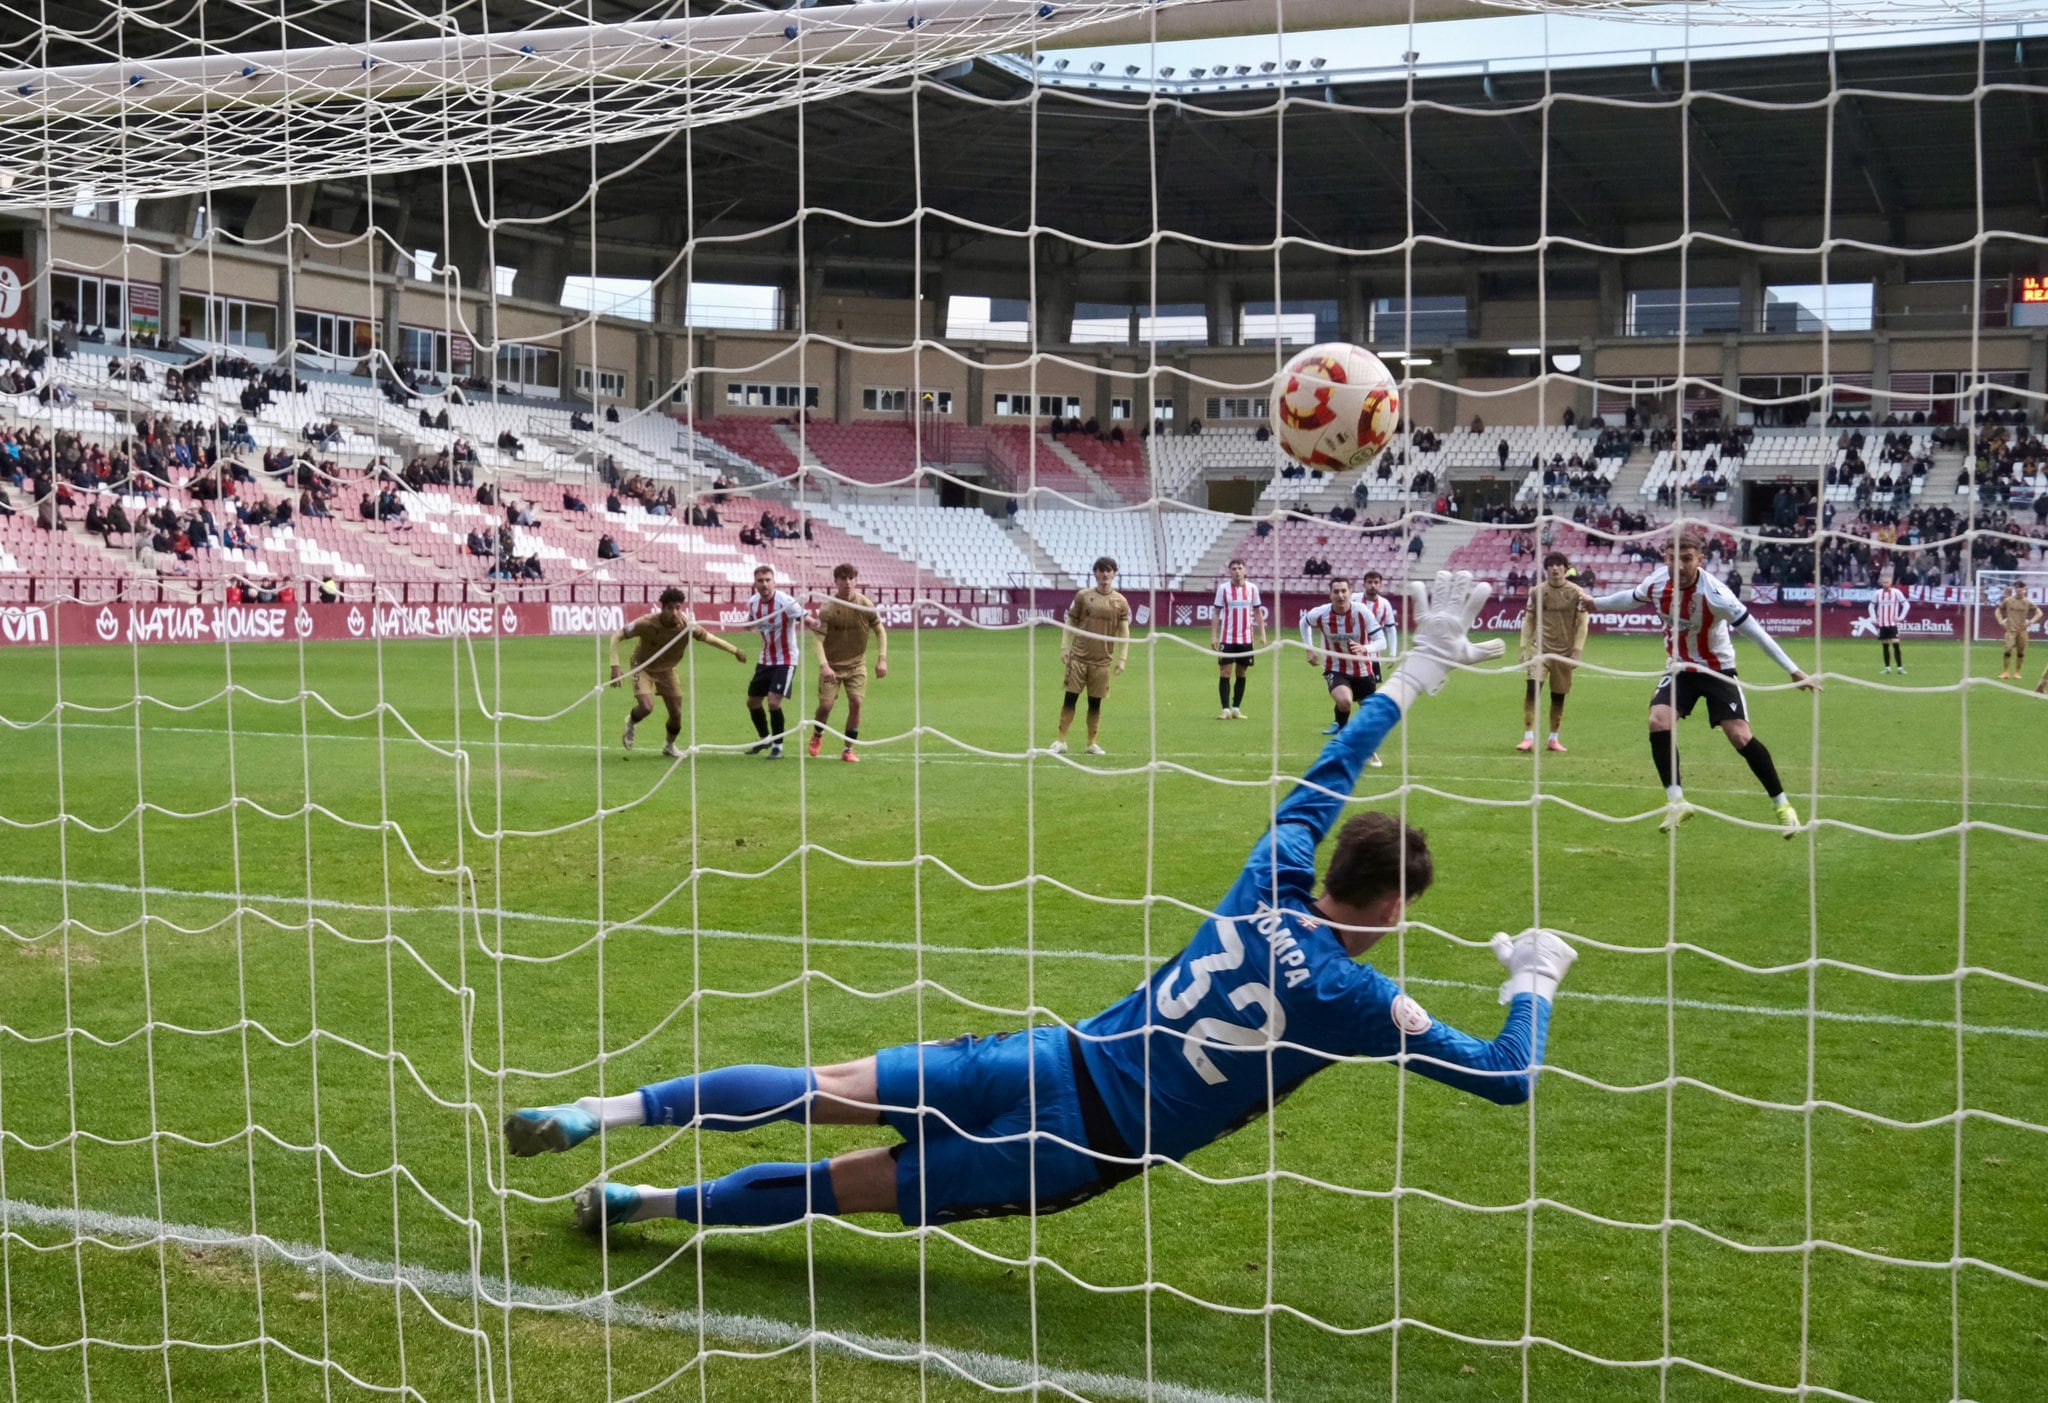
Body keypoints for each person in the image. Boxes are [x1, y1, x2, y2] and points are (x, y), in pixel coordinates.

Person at [502, 574, 1580, 1240]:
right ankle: (639, 1208)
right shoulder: (1355, 997)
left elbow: (1324, 771)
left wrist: (1409, 676)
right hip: (1080, 1143)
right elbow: (1505, 1075)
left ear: (1333, 865)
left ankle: (604, 1112)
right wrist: (1529, 975)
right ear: (1390, 909)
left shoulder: (1268, 877)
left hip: (1043, 1057)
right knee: (842, 1185)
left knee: (816, 1084)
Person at [1586, 532, 1820, 837]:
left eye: (1686, 558)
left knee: (1739, 735)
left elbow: (1755, 632)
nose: (1679, 565)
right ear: (1664, 557)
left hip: (1717, 669)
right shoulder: (1656, 583)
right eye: (1673, 558)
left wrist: (1793, 670)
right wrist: (1595, 604)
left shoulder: (1716, 594)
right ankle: (1677, 802)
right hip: (1680, 667)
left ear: (1700, 559)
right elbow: (1630, 598)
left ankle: (1782, 805)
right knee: (1658, 719)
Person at [609, 586, 746, 759]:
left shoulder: (687, 626)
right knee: (646, 707)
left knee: (676, 713)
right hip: (641, 666)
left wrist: (735, 650)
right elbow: (617, 635)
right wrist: (614, 665)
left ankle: (669, 746)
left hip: (667, 669)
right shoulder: (646, 622)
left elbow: (710, 638)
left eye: (678, 608)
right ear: (662, 608)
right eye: (670, 608)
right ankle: (631, 721)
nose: (675, 612)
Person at [1299, 577, 1387, 766]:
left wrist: (1365, 648)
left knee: (1369, 714)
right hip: (1335, 667)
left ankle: (1368, 749)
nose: (1340, 595)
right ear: (1330, 594)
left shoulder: (1362, 612)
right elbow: (1303, 622)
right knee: (1345, 701)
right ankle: (1343, 740)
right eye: (1336, 591)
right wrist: (1309, 649)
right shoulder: (1321, 613)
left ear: (1350, 592)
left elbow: (1382, 641)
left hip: (1363, 670)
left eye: (1343, 591)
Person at [808, 563, 889, 762]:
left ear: (856, 580)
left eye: (851, 578)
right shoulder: (827, 608)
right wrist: (824, 665)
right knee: (826, 706)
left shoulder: (865, 604)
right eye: (843, 578)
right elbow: (817, 639)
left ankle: (848, 749)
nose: (848, 582)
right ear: (835, 582)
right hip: (833, 666)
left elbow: (880, 631)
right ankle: (818, 734)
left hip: (856, 665)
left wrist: (882, 659)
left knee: (856, 703)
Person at [1051, 557, 1131, 757]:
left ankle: (1091, 743)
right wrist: (1064, 647)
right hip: (1078, 657)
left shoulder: (1121, 602)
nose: (1105, 574)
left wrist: (1122, 659)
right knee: (1070, 699)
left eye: (1109, 570)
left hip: (1102, 661)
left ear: (1114, 574)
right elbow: (1070, 621)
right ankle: (1061, 741)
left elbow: (1124, 632)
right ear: (1095, 573)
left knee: (1095, 704)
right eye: (1101, 570)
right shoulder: (1083, 596)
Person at [1517, 552, 1591, 753]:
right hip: (1539, 650)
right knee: (1532, 690)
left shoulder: (1577, 593)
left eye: (1559, 564)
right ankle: (1528, 737)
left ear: (1566, 568)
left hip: (1564, 653)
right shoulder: (1537, 592)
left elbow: (1583, 623)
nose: (1554, 568)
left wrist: (1577, 650)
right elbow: (1529, 620)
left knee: (1558, 696)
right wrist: (1524, 647)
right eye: (1550, 564)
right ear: (1546, 568)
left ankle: (1553, 738)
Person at [740, 564, 813, 758]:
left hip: (786, 659)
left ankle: (778, 747)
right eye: (760, 581)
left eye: (767, 580)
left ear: (774, 582)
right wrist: (747, 626)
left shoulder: (786, 602)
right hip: (765, 659)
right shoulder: (753, 603)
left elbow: (807, 619)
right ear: (754, 583)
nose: (764, 584)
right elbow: (751, 621)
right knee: (753, 702)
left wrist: (819, 626)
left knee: (773, 702)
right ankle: (765, 739)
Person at [1210, 557, 1267, 719]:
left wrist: (1262, 634)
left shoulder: (1252, 589)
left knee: (1242, 673)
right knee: (1225, 672)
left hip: (1246, 639)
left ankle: (1236, 708)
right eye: (1234, 568)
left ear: (1245, 570)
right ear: (1230, 571)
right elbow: (1216, 612)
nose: (1237, 571)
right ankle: (1225, 709)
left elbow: (1257, 612)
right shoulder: (1223, 589)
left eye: (1240, 568)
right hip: (1227, 638)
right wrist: (1214, 636)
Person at [1994, 581, 2041, 680]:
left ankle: (2017, 672)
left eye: (2021, 588)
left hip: (2022, 631)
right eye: (2017, 588)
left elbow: (2039, 613)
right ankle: (2005, 672)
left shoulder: (2027, 602)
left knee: (2020, 652)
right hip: (2010, 630)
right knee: (2007, 650)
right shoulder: (2008, 600)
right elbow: (1998, 610)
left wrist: (2030, 622)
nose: (2019, 590)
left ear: (2024, 589)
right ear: (2015, 589)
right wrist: (2001, 621)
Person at [1868, 574, 1910, 675]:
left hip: (1892, 623)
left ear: (1890, 582)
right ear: (1881, 583)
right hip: (1882, 624)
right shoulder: (1878, 593)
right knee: (1885, 645)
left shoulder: (1896, 592)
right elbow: (1871, 606)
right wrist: (1873, 619)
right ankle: (1887, 668)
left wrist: (1900, 618)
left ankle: (1900, 668)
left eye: (1887, 582)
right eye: (1884, 582)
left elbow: (1906, 604)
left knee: (1896, 644)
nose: (1885, 584)